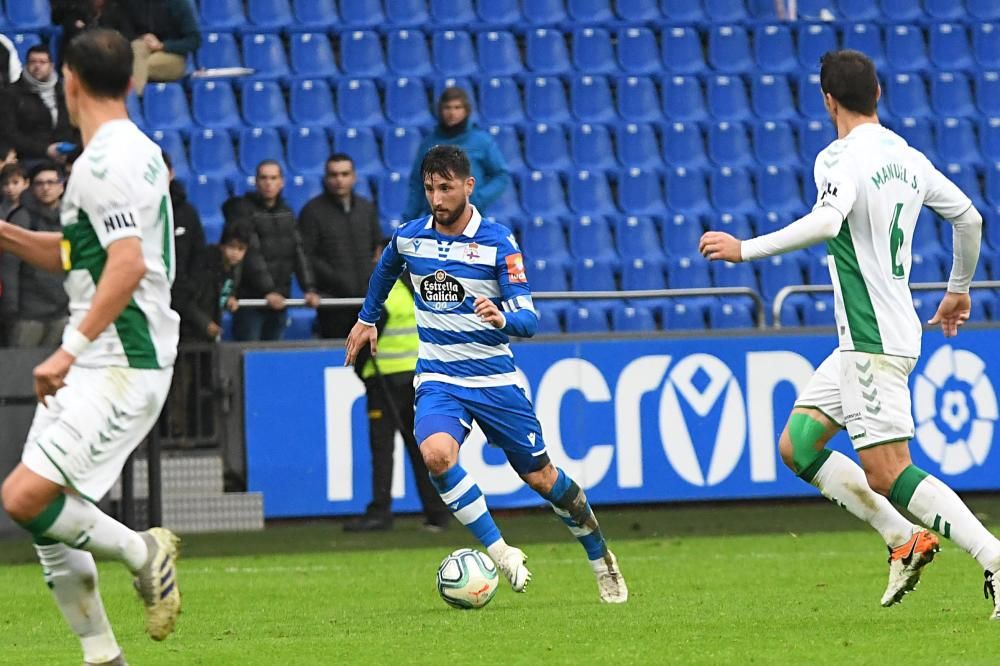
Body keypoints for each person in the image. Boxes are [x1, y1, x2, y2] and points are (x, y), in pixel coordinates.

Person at [699, 49, 1000, 618]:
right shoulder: (907, 157)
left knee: (887, 471)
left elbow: (827, 221)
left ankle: (994, 556)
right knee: (799, 445)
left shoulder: (837, 158)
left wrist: (746, 249)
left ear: (828, 100)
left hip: (870, 338)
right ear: (879, 94)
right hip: (879, 333)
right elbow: (970, 218)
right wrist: (959, 287)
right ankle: (902, 539)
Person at [346, 145, 627, 603]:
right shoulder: (410, 237)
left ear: (468, 186)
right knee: (436, 455)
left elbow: (529, 321)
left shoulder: (498, 242)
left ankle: (600, 556)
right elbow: (386, 267)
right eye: (430, 189)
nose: (436, 199)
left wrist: (501, 318)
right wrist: (367, 317)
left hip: (495, 381)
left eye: (446, 188)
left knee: (541, 479)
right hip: (440, 378)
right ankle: (500, 551)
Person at [0, 29, 182, 665]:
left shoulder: (103, 165)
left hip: (122, 359)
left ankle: (144, 551)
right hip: (105, 355)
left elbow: (126, 266)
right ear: (129, 81)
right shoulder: (123, 153)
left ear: (70, 82)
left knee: (24, 498)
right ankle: (103, 657)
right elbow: (81, 255)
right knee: (47, 519)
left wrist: (66, 350)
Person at [345, 266, 451, 533]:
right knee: (421, 450)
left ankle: (381, 511)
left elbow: (365, 338)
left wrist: (363, 372)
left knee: (382, 450)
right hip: (416, 380)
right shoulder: (416, 288)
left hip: (385, 383)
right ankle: (436, 512)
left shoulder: (383, 291)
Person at [223, 160, 319, 341]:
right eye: (264, 178)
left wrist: (309, 288)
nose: (268, 183)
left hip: (280, 300)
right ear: (256, 182)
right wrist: (268, 291)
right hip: (251, 301)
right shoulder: (244, 211)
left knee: (273, 353)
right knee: (248, 354)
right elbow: (251, 255)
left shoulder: (287, 213)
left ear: (281, 182)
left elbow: (299, 252)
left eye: (273, 178)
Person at [298, 153, 382, 339]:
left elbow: (377, 248)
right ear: (326, 178)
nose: (339, 180)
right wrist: (313, 287)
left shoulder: (366, 208)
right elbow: (305, 256)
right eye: (334, 175)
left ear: (354, 177)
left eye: (344, 174)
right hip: (333, 304)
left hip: (365, 302)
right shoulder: (312, 211)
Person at [401, 87, 510, 222]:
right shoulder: (429, 143)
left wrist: (479, 198)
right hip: (436, 218)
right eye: (447, 108)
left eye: (457, 107)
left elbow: (501, 175)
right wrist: (407, 220)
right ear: (440, 110)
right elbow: (418, 183)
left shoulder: (481, 141)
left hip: (470, 218)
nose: (452, 113)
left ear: (466, 110)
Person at [0, 163, 70, 347]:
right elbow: (9, 266)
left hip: (63, 310)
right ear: (32, 187)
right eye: (39, 183)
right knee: (17, 370)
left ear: (61, 186)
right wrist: (11, 308)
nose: (46, 188)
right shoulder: (22, 217)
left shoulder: (71, 218)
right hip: (28, 313)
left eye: (51, 182)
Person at [0, 45, 78, 165]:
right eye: (33, 62)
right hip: (29, 158)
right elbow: (10, 133)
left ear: (51, 65)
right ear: (26, 64)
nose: (37, 66)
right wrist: (45, 150)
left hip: (64, 156)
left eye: (42, 62)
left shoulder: (63, 91)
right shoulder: (11, 94)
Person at [123, 0, 201, 95]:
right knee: (137, 46)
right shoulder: (133, 4)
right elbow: (126, 33)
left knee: (140, 66)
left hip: (173, 56)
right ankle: (134, 100)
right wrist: (143, 37)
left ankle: (135, 99)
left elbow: (194, 41)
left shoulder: (178, 3)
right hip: (144, 50)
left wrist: (162, 46)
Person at [52, 0, 135, 64]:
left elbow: (127, 34)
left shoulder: (116, 10)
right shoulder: (78, 8)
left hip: (109, 54)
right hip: (83, 53)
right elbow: (69, 26)